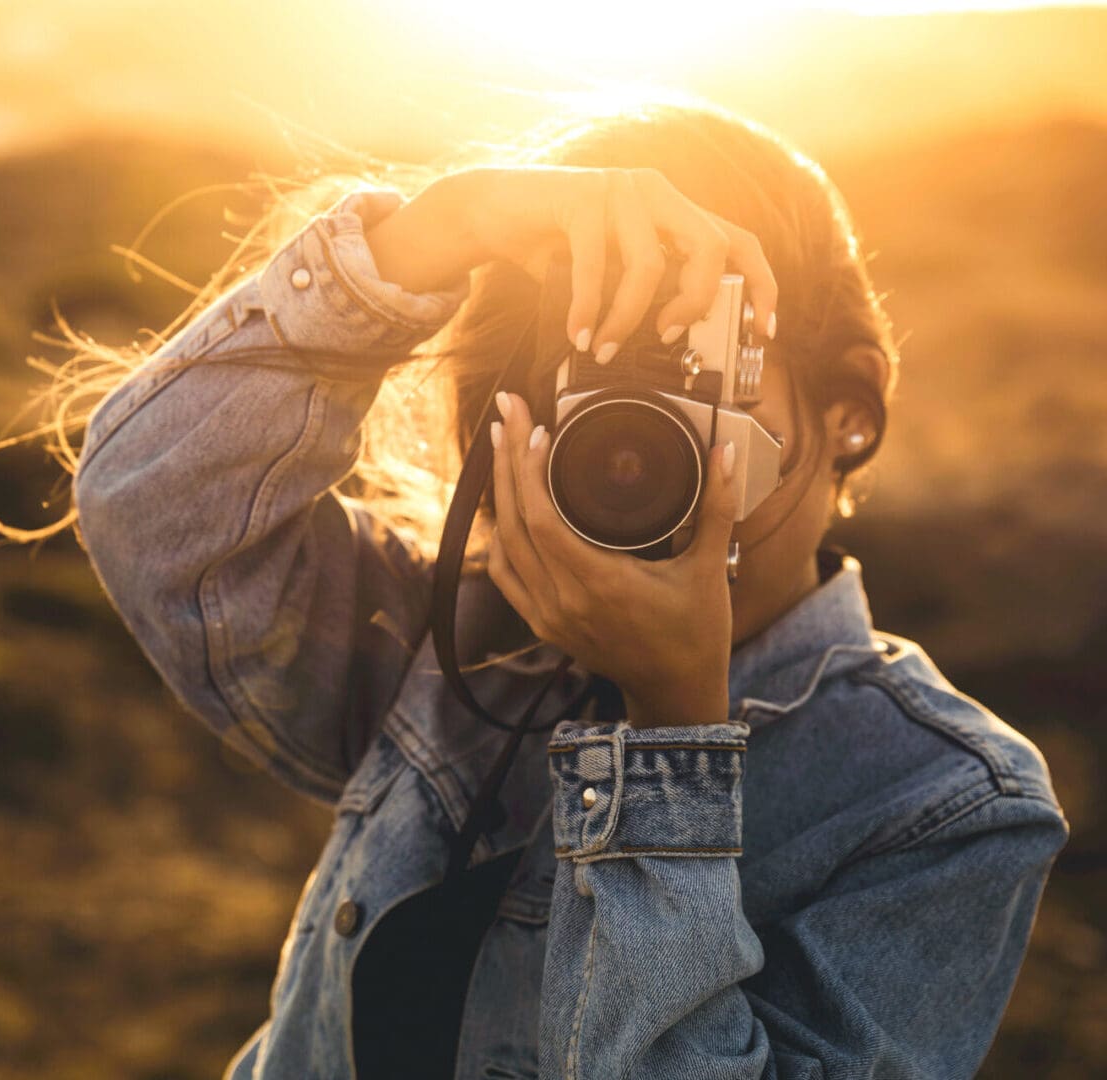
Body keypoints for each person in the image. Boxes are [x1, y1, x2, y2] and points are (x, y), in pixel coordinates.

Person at [62, 99, 1068, 1078]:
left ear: (846, 408)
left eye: (694, 377)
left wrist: (671, 734)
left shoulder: (941, 804)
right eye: (589, 390)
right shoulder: (450, 640)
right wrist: (435, 231)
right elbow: (156, 507)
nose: (634, 438)